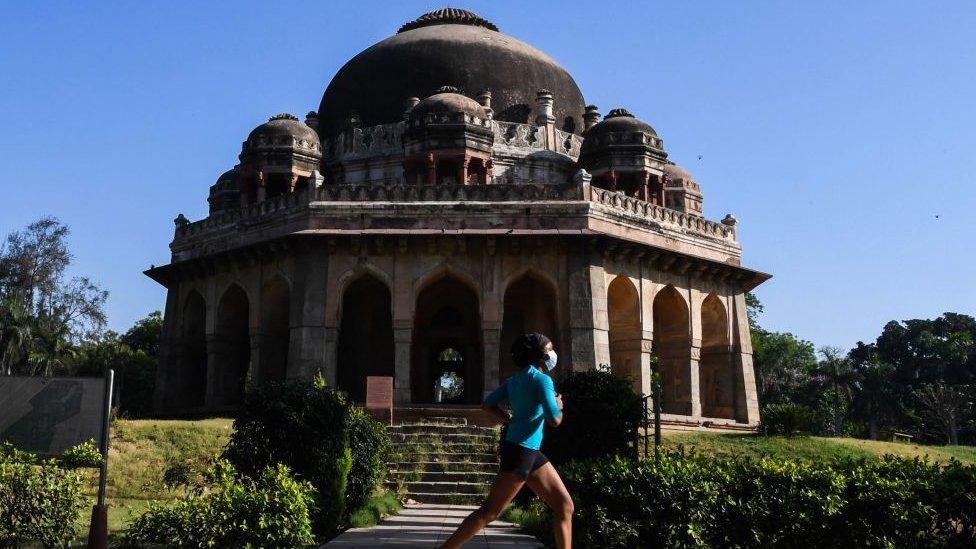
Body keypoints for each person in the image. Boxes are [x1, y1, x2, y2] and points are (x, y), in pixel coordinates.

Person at [439, 332, 574, 549]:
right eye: (549, 349)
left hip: (527, 450)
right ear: (539, 355)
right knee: (489, 512)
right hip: (522, 452)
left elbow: (487, 404)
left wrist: (507, 419)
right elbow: (554, 420)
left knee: (565, 506)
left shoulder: (515, 380)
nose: (552, 353)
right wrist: (559, 405)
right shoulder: (543, 380)